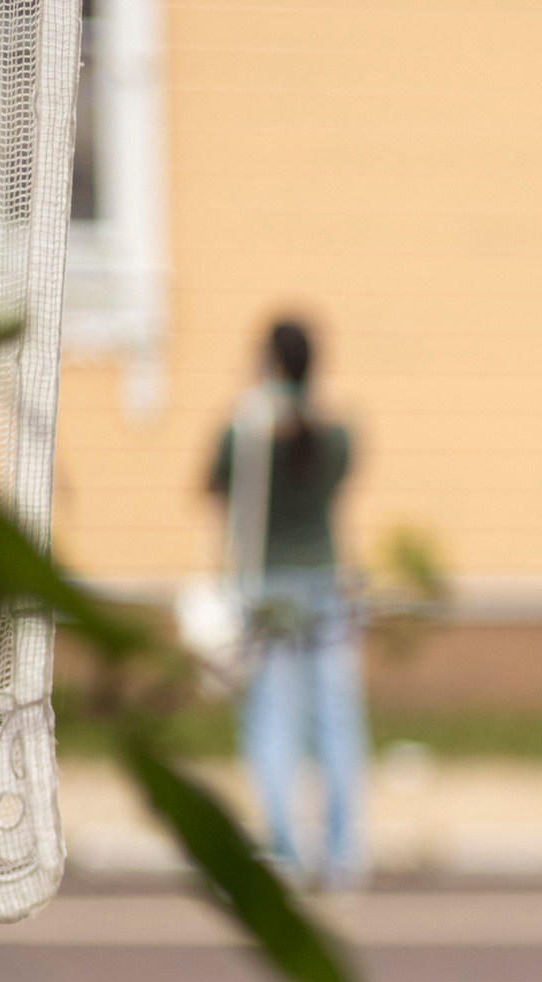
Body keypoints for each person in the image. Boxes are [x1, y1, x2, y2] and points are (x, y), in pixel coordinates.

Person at [205, 316, 363, 887]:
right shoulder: (337, 430)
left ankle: (287, 853)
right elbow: (341, 477)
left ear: (268, 360)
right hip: (326, 581)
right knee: (335, 718)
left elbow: (213, 487)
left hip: (268, 586)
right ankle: (342, 856)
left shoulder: (246, 431)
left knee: (273, 716)